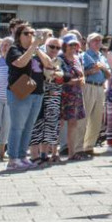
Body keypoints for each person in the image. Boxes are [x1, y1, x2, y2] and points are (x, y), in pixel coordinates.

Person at [5, 24, 53, 171]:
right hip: (20, 91)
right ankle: (13, 158)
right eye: (26, 33)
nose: (30, 35)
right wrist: (33, 47)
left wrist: (37, 47)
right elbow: (20, 63)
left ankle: (22, 156)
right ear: (19, 36)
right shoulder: (14, 49)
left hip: (37, 91)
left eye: (32, 33)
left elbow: (48, 64)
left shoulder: (35, 50)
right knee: (17, 126)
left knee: (28, 127)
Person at [30, 34, 65, 164]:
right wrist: (56, 74)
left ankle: (44, 153)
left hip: (54, 96)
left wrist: (58, 75)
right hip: (38, 94)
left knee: (50, 125)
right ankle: (35, 154)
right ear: (46, 46)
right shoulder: (37, 58)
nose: (54, 49)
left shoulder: (60, 61)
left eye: (57, 47)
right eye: (52, 46)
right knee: (37, 124)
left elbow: (65, 76)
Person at [80, 33, 110, 157]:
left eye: (99, 40)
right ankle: (79, 146)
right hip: (88, 85)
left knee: (97, 119)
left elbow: (109, 75)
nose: (98, 42)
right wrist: (92, 70)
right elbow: (81, 73)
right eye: (94, 40)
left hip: (100, 87)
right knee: (84, 117)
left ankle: (89, 146)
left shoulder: (102, 57)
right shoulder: (84, 56)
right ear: (89, 42)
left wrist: (104, 69)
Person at [59, 33, 87, 161]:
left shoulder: (77, 58)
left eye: (75, 44)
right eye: (70, 45)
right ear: (64, 45)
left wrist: (82, 80)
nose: (73, 47)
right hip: (63, 93)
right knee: (59, 123)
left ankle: (72, 152)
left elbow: (82, 74)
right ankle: (53, 152)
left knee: (73, 123)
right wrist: (75, 81)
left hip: (76, 94)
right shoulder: (60, 58)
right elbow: (60, 77)